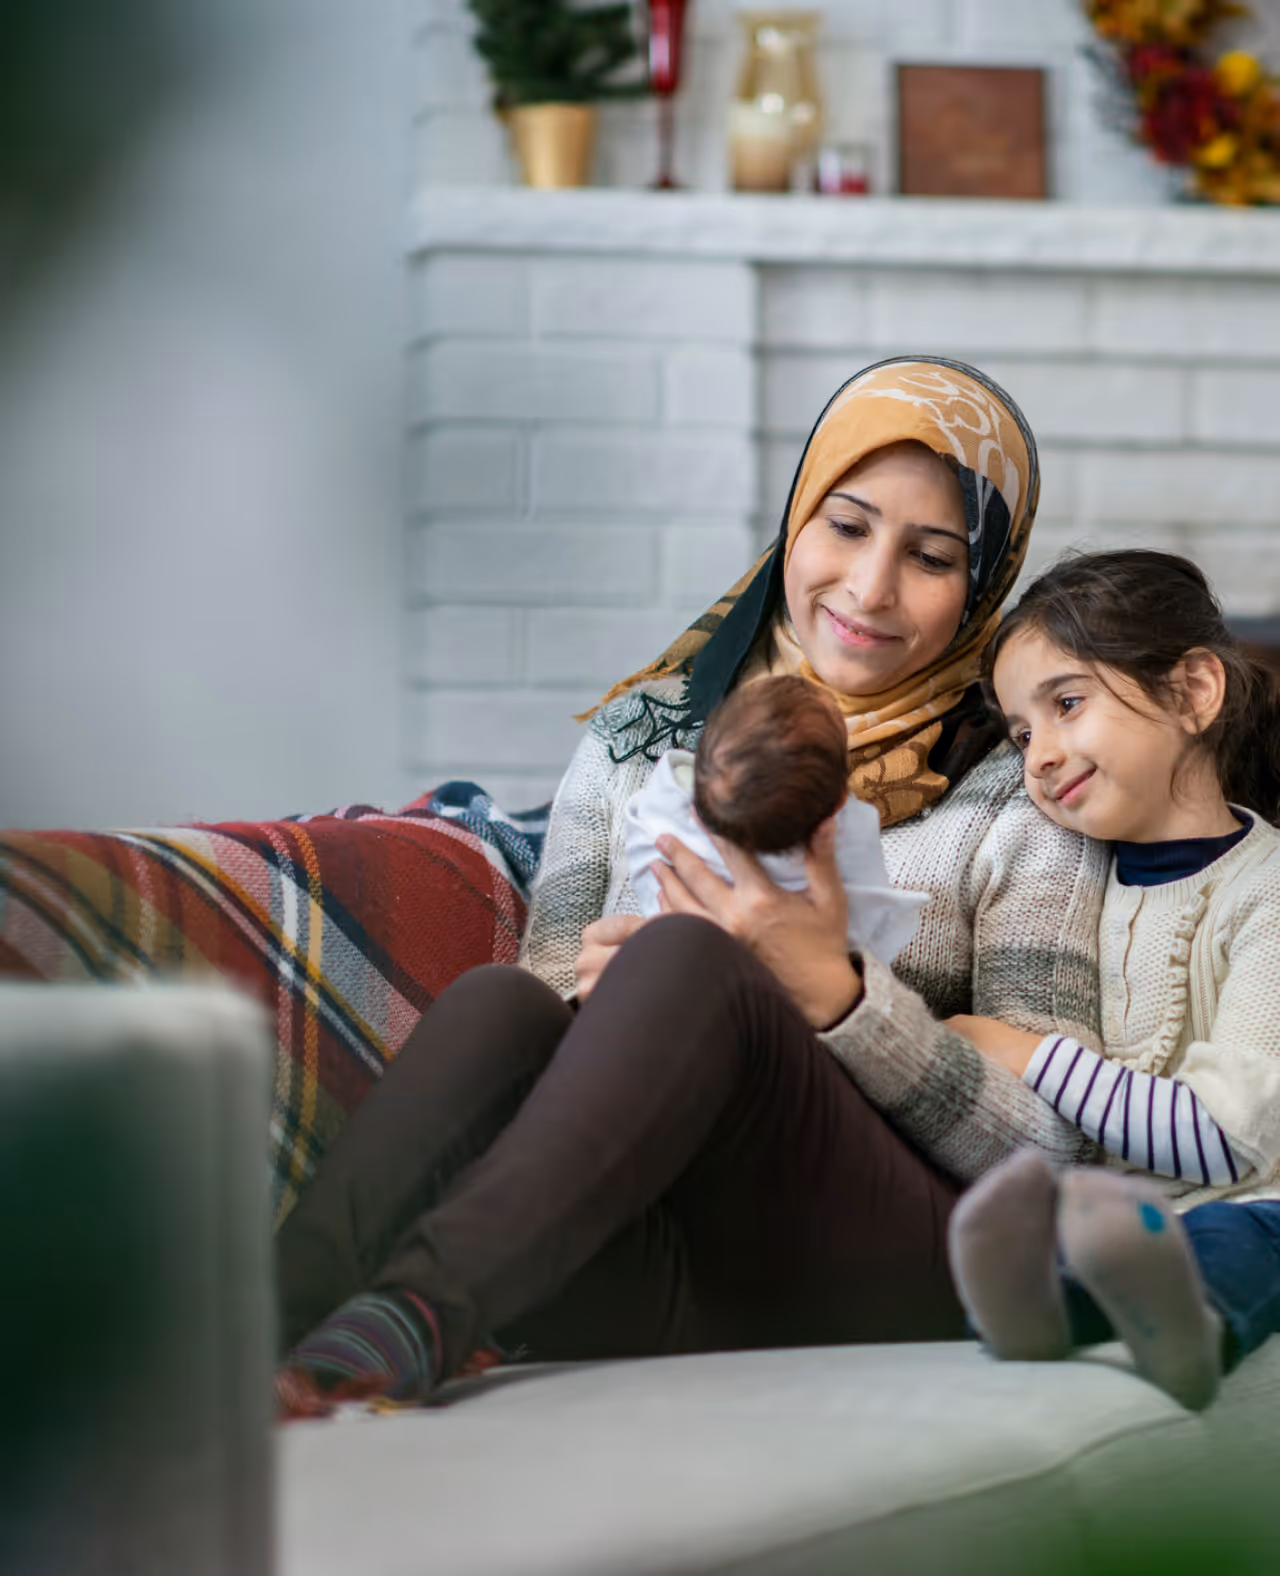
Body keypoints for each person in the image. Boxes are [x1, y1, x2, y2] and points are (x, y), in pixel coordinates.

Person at [273, 357, 1111, 1416]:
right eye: (846, 526)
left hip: (886, 1264)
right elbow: (551, 995)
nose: (869, 588)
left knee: (689, 957)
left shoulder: (1024, 783)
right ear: (797, 518)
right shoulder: (643, 735)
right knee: (502, 1004)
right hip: (659, 1254)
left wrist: (836, 995)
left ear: (982, 583)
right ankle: (257, 1320)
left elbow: (1054, 1145)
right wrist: (604, 988)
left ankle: (412, 1313)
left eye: (930, 556)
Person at [945, 550, 1280, 1412]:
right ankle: (1046, 1309)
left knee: (1245, 1235)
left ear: (1193, 692)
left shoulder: (1268, 890)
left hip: (1254, 1198)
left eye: (1066, 704)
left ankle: (1189, 1327)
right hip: (1114, 1212)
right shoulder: (1061, 880)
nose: (1039, 757)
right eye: (1022, 734)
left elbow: (1226, 1140)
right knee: (1068, 1230)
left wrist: (1026, 1054)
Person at [623, 674, 928, 966]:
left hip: (662, 961)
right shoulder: (848, 837)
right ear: (837, 804)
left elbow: (643, 835)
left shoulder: (666, 800)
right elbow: (869, 926)